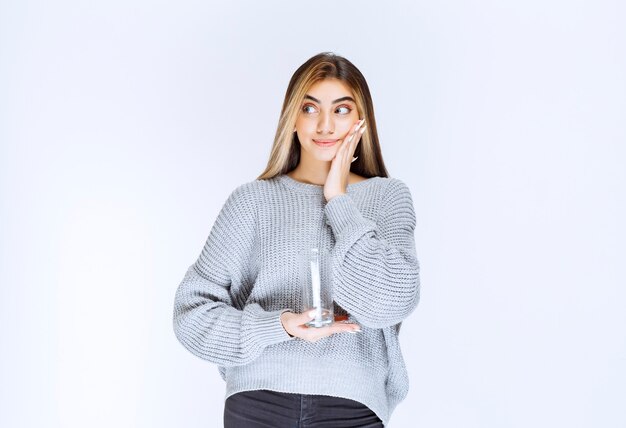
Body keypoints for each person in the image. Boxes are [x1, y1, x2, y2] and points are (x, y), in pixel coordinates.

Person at [172, 51, 421, 427]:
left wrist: (338, 199)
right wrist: (279, 326)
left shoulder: (387, 198)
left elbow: (389, 302)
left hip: (351, 405)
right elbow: (191, 315)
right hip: (258, 402)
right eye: (309, 108)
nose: (324, 125)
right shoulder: (252, 201)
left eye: (340, 109)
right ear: (292, 118)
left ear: (361, 120)